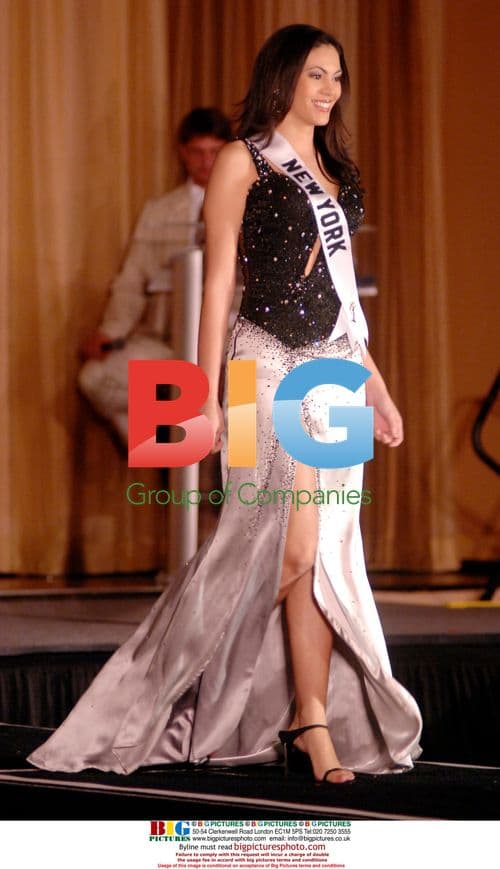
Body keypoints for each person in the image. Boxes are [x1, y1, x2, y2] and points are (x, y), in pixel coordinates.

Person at [29, 24, 422, 784]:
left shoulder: (339, 173)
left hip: (337, 370)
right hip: (260, 365)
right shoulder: (244, 160)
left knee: (327, 557)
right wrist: (207, 394)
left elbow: (341, 299)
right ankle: (177, 681)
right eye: (315, 74)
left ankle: (311, 720)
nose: (329, 89)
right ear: (283, 77)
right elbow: (217, 287)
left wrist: (376, 384)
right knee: (279, 550)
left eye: (337, 76)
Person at [79, 107, 232, 443]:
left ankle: (223, 460)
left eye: (214, 152)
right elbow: (133, 278)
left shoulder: (248, 205)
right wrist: (110, 331)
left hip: (231, 342)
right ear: (183, 152)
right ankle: (165, 446)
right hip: (168, 339)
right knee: (96, 377)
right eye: (197, 152)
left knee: (243, 421)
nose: (206, 162)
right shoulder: (160, 211)